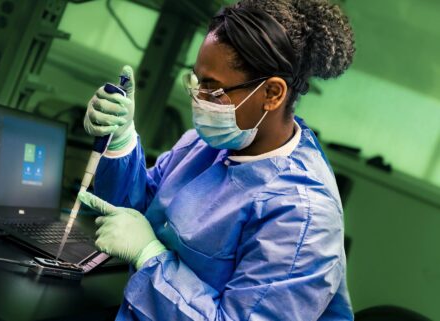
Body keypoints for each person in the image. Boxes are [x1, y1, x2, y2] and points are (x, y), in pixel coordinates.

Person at [80, 0, 356, 319]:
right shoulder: (209, 143)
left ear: (272, 94)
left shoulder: (302, 217)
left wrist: (150, 257)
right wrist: (121, 141)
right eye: (197, 82)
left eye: (213, 89)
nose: (199, 100)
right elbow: (134, 214)